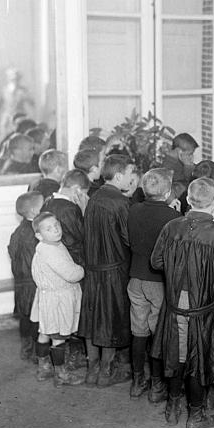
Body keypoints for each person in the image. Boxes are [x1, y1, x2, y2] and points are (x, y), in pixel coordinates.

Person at [150, 177, 214, 428]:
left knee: (176, 355)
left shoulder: (171, 227)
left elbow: (156, 263)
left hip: (174, 305)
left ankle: (172, 406)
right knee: (197, 360)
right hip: (204, 308)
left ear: (188, 200)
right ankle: (196, 415)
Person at [79, 154, 135, 388]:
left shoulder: (95, 197)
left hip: (93, 268)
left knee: (93, 320)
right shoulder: (121, 202)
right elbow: (129, 238)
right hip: (114, 270)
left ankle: (92, 369)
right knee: (111, 321)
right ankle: (106, 371)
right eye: (131, 176)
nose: (132, 181)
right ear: (119, 175)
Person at [126, 169, 180, 401]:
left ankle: (137, 382)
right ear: (168, 192)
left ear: (143, 189)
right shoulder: (172, 217)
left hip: (136, 278)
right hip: (158, 281)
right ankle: (157, 385)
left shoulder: (133, 209)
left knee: (138, 331)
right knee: (158, 333)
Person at [30, 212, 85, 386]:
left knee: (45, 332)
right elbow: (71, 274)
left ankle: (43, 368)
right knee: (59, 335)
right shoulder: (50, 251)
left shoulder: (49, 246)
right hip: (57, 299)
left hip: (47, 297)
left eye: (57, 225)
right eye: (49, 228)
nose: (55, 230)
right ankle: (61, 374)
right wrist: (82, 270)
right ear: (39, 235)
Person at [8, 191, 43, 362]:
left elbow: (12, 252)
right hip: (33, 283)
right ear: (35, 212)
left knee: (25, 317)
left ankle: (26, 348)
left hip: (21, 283)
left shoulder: (17, 232)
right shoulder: (34, 234)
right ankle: (38, 353)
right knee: (36, 318)